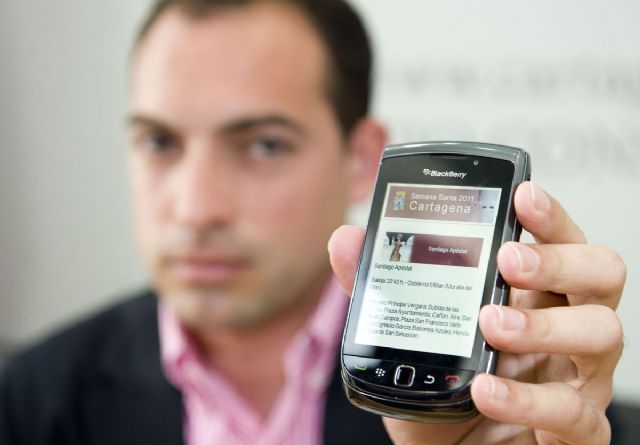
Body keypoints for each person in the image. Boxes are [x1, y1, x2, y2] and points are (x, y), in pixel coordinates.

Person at [0, 1, 626, 445]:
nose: (195, 208)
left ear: (360, 160)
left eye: (264, 145)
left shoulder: (531, 409)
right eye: (160, 142)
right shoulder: (31, 399)